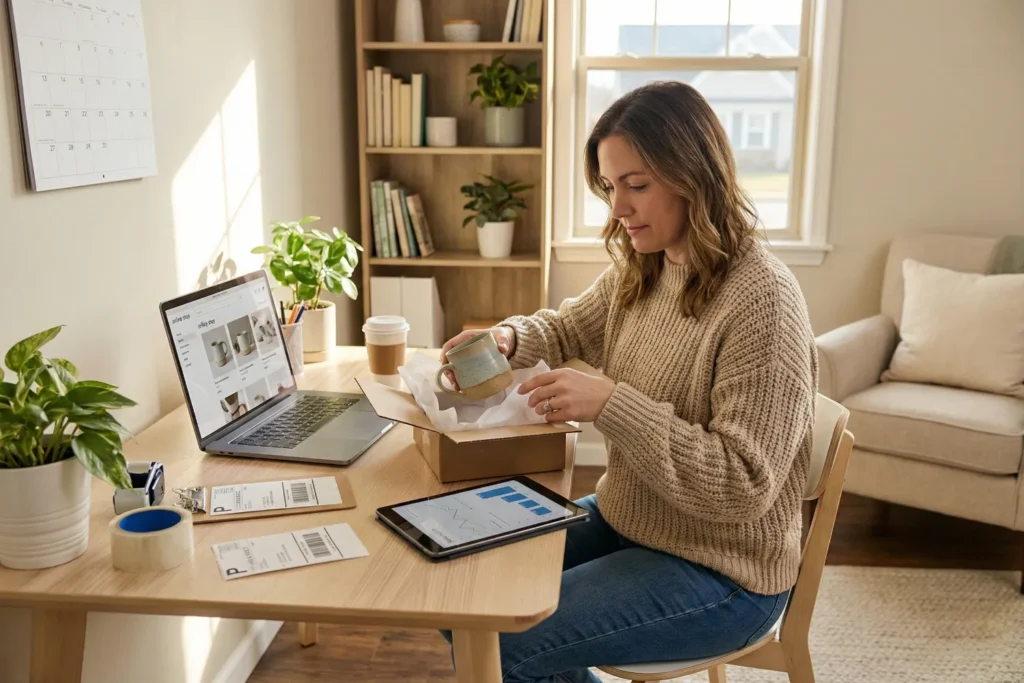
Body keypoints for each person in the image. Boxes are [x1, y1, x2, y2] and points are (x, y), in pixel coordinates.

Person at [439, 81, 818, 683]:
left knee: (503, 645)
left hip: (725, 571)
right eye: (611, 187)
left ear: (695, 177)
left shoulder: (762, 302)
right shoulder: (644, 267)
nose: (618, 208)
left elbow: (744, 484)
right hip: (630, 518)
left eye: (636, 185)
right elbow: (565, 329)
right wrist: (509, 340)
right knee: (458, 586)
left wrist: (614, 405)